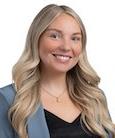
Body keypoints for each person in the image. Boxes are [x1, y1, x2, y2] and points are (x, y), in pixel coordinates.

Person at [0, 4, 115, 138]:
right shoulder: (9, 100)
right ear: (36, 39)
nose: (66, 47)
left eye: (75, 38)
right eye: (55, 36)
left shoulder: (94, 98)